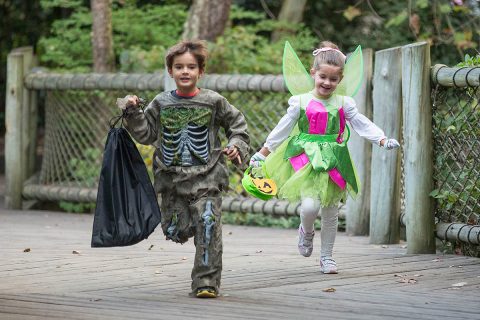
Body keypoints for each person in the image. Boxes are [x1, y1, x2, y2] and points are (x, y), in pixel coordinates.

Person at [249, 41, 399, 274]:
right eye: (323, 77)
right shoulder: (300, 102)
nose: (327, 83)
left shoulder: (343, 103)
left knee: (330, 210)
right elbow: (282, 128)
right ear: (313, 73)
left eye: (333, 79)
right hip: (307, 159)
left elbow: (360, 123)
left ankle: (327, 257)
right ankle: (306, 231)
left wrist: (380, 139)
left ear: (340, 80)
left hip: (334, 160)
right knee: (310, 207)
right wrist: (262, 153)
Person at [117, 40, 250, 298]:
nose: (185, 71)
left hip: (207, 175)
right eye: (179, 67)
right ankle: (185, 229)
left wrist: (236, 146)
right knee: (175, 229)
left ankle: (206, 282)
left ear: (201, 71)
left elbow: (237, 125)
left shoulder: (214, 101)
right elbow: (147, 134)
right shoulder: (161, 103)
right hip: (172, 179)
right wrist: (133, 112)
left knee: (208, 222)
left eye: (191, 67)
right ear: (170, 71)